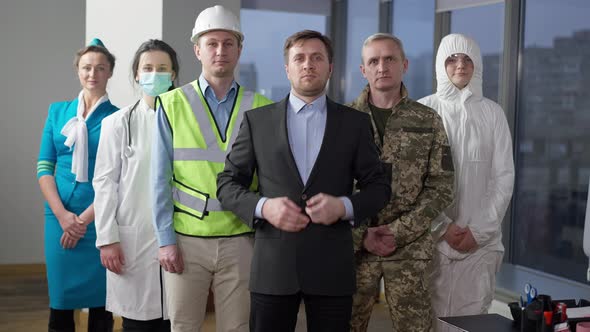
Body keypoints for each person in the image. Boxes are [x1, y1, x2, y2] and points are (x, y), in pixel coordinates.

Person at [217, 29, 391, 332]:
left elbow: (379, 187)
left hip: (332, 268)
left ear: (330, 67)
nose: (308, 64)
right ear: (287, 68)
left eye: (316, 58)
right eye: (299, 58)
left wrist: (345, 206)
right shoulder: (258, 122)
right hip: (274, 267)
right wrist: (263, 207)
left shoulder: (354, 124)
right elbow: (228, 184)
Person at [151, 5, 273, 332]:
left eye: (228, 43)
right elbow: (159, 180)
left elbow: (270, 180)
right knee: (184, 326)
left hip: (242, 240)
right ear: (198, 50)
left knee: (237, 327)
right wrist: (165, 240)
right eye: (212, 43)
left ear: (239, 49)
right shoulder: (171, 103)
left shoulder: (261, 107)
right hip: (186, 239)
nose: (220, 51)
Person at [348, 33, 454, 332]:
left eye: (389, 59)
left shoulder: (427, 120)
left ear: (404, 65)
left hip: (408, 248)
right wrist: (361, 234)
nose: (382, 66)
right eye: (374, 61)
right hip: (354, 247)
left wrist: (398, 231)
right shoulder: (342, 118)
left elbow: (442, 184)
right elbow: (329, 186)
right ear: (363, 69)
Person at [417, 33, 515, 329]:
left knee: (472, 321)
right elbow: (413, 182)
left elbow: (503, 178)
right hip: (432, 243)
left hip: (480, 246)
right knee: (431, 320)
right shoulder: (422, 112)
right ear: (440, 64)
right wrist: (442, 227)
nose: (460, 64)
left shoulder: (493, 114)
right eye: (452, 58)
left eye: (467, 58)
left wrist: (478, 231)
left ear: (478, 65)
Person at [93, 39, 179, 332]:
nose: (155, 74)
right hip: (133, 238)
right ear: (136, 74)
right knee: (138, 321)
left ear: (174, 75)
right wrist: (107, 238)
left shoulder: (186, 121)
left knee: (178, 318)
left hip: (180, 236)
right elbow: (104, 183)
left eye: (162, 68)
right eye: (148, 68)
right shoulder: (117, 123)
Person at [37, 38, 118, 332]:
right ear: (77, 71)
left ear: (110, 72)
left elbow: (119, 179)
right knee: (60, 301)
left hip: (100, 217)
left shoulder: (118, 118)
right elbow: (45, 166)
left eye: (100, 68)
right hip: (58, 215)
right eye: (86, 67)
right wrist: (63, 216)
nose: (92, 74)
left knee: (102, 303)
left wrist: (82, 221)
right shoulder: (57, 112)